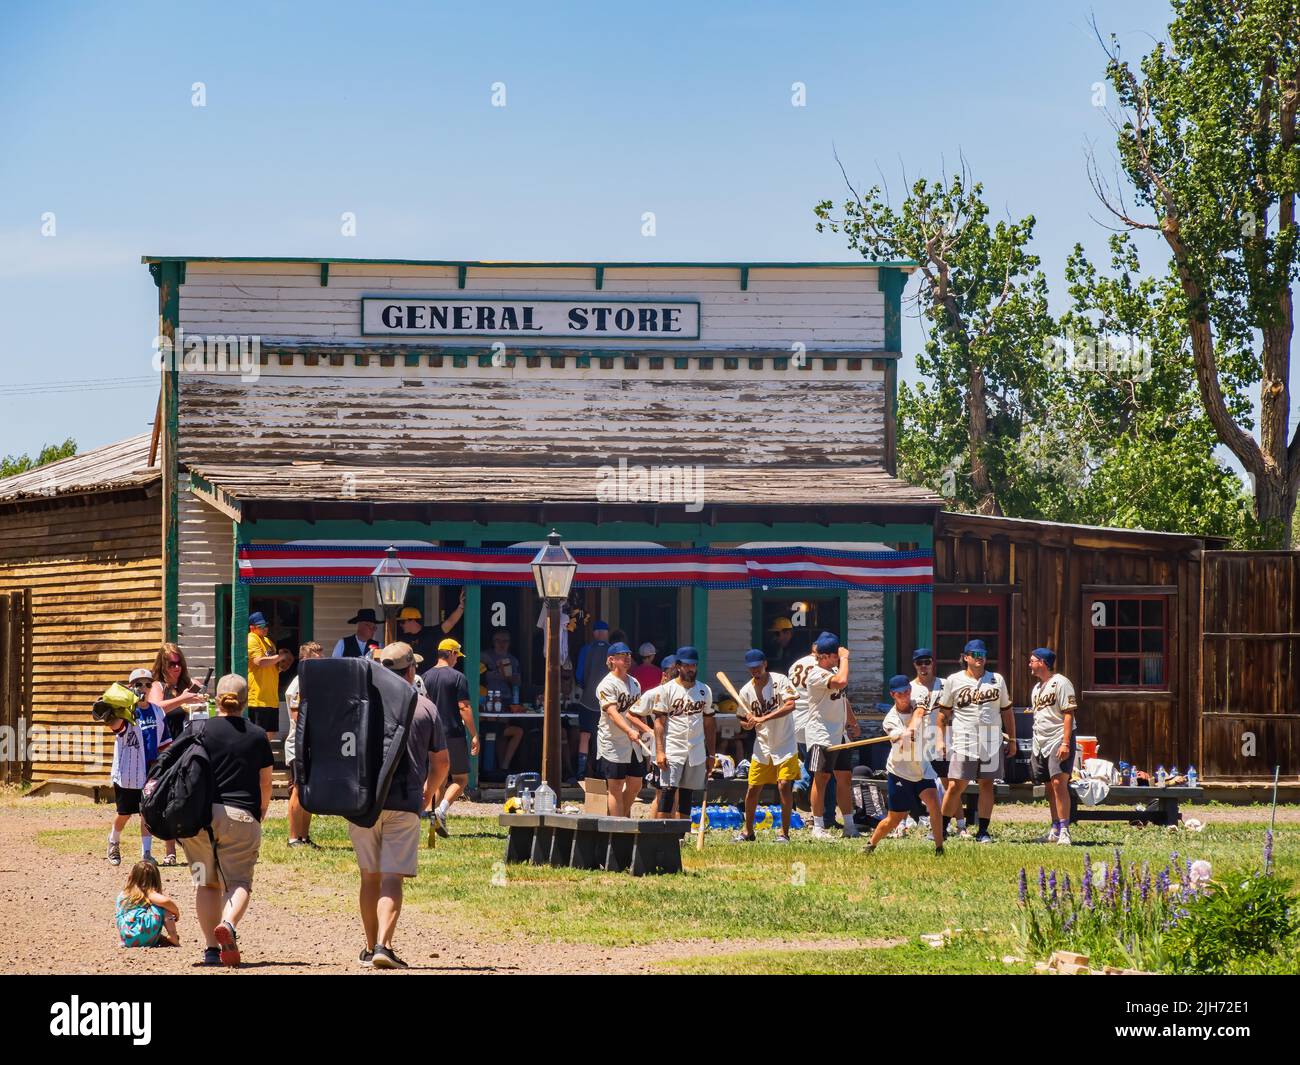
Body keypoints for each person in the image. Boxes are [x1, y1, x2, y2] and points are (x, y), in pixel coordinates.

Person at [350, 643, 449, 969]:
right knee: (392, 877)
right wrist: (428, 793)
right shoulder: (425, 708)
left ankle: (368, 946)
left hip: (364, 803)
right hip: (405, 800)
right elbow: (442, 763)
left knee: (369, 877)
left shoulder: (362, 707)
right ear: (411, 672)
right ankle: (384, 945)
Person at [177, 674, 274, 967]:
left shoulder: (197, 729)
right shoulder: (257, 734)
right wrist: (262, 811)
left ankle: (210, 949)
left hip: (197, 820)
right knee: (239, 881)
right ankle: (228, 924)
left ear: (215, 699)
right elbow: (265, 783)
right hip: (240, 816)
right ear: (245, 701)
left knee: (205, 884)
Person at [934, 639, 1015, 844]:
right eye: (975, 655)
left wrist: (1012, 739)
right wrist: (940, 740)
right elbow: (943, 714)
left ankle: (983, 830)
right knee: (955, 785)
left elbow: (1007, 711)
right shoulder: (954, 680)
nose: (980, 659)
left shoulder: (996, 680)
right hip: (964, 739)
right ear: (966, 657)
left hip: (991, 740)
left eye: (983, 655)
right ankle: (941, 828)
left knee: (986, 784)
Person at [865, 675, 944, 855]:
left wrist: (911, 730)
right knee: (894, 819)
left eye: (907, 690)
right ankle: (871, 844)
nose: (905, 695)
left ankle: (939, 848)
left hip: (921, 766)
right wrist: (902, 736)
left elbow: (918, 713)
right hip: (901, 771)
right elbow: (902, 744)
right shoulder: (890, 720)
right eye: (900, 693)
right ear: (893, 694)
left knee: (934, 803)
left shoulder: (919, 698)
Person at [148, 647, 206, 864]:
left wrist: (198, 699)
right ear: (162, 665)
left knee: (188, 794)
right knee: (168, 797)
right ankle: (170, 851)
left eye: (179, 663)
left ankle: (192, 845)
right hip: (165, 749)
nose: (176, 668)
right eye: (171, 664)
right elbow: (155, 708)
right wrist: (183, 699)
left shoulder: (183, 685)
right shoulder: (158, 686)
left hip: (186, 745)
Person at [105, 668, 168, 867]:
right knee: (124, 812)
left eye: (148, 684)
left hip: (151, 768)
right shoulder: (127, 711)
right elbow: (116, 726)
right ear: (131, 687)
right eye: (138, 684)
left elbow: (165, 742)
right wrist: (110, 711)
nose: (144, 688)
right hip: (129, 770)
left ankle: (146, 853)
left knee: (146, 812)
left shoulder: (158, 711)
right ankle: (113, 842)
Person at [734, 649, 799, 843]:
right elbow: (742, 717)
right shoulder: (746, 691)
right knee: (753, 788)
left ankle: (784, 833)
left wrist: (764, 717)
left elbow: (790, 705)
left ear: (765, 664)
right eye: (751, 668)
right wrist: (746, 724)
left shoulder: (780, 681)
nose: (755, 670)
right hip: (762, 744)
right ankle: (748, 831)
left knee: (784, 785)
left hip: (785, 741)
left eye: (758, 666)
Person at [804, 634, 861, 839]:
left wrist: (852, 722)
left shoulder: (834, 669)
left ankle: (849, 825)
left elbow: (843, 698)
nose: (839, 657)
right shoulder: (815, 674)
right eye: (836, 655)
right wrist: (845, 658)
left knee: (844, 777)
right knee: (822, 778)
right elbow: (841, 682)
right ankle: (817, 826)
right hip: (822, 734)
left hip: (840, 733)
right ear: (827, 656)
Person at [652, 645, 716, 823]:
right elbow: (658, 722)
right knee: (668, 791)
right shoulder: (666, 689)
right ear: (678, 666)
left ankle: (680, 835)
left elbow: (710, 723)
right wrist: (659, 750)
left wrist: (711, 754)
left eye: (694, 665)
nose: (691, 669)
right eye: (687, 665)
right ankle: (662, 835)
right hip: (673, 747)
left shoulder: (704, 690)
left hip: (695, 749)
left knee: (687, 794)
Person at [422, 638, 478, 838]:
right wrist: (474, 734)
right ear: (452, 653)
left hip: (430, 733)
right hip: (452, 733)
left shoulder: (425, 676)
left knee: (438, 777)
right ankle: (441, 810)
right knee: (461, 778)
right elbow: (464, 708)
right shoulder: (457, 677)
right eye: (457, 656)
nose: (458, 660)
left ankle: (430, 820)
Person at [910, 646, 963, 837]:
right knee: (916, 782)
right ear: (915, 665)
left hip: (944, 739)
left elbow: (957, 709)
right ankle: (915, 819)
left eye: (927, 662)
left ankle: (961, 825)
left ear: (933, 663)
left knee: (951, 784)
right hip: (921, 742)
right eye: (919, 663)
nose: (924, 666)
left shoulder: (945, 684)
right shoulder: (910, 688)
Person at [1028, 647, 1077, 846]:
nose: (1029, 664)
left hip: (1059, 738)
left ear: (1042, 662)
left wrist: (1066, 742)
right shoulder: (1037, 688)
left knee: (1059, 784)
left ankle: (1065, 830)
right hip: (1041, 742)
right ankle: (1055, 828)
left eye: (1032, 660)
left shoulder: (1062, 683)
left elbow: (1068, 713)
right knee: (1049, 786)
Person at [595, 641, 649, 816]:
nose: (627, 659)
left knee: (636, 784)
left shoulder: (634, 683)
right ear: (612, 659)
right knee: (616, 786)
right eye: (622, 656)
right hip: (613, 741)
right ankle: (617, 828)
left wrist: (646, 730)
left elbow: (638, 711)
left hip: (633, 742)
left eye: (629, 655)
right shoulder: (606, 684)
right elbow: (612, 712)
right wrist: (628, 730)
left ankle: (621, 817)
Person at [284, 641, 322, 849]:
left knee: (308, 791)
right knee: (298, 790)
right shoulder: (299, 684)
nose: (320, 665)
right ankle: (292, 837)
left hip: (311, 744)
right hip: (297, 745)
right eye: (315, 661)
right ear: (304, 661)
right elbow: (299, 717)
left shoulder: (314, 682)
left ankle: (304, 837)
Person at [574, 619, 612, 779]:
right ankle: (602, 772)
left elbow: (579, 675)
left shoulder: (586, 650)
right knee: (604, 737)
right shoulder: (613, 651)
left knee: (585, 736)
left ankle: (581, 773)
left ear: (594, 633)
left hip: (587, 701)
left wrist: (586, 686)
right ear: (607, 633)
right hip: (608, 703)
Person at [115, 860, 181, 948]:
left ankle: (144, 939)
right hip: (146, 931)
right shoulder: (148, 892)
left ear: (132, 877)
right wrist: (176, 912)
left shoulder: (123, 895)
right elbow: (166, 902)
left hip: (127, 937)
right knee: (164, 907)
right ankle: (173, 936)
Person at [246, 611, 290, 739]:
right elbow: (259, 662)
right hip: (257, 698)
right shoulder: (251, 638)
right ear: (252, 627)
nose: (265, 628)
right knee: (257, 736)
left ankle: (263, 759)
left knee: (269, 735)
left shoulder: (268, 642)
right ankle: (255, 759)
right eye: (261, 626)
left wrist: (282, 665)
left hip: (271, 697)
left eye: (265, 625)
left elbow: (272, 667)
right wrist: (281, 656)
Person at [481, 628, 522, 706]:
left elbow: (518, 683)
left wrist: (507, 677)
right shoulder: (483, 657)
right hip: (486, 697)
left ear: (509, 643)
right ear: (493, 642)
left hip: (506, 698)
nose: (501, 644)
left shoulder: (514, 661)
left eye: (505, 641)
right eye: (498, 640)